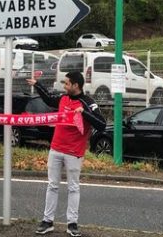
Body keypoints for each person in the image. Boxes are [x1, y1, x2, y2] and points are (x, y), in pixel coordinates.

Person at [26, 71, 106, 237]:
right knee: (52, 185)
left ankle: (72, 224)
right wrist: (37, 84)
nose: (64, 86)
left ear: (76, 85)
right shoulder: (63, 98)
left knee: (73, 188)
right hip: (56, 149)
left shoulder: (88, 102)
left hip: (74, 152)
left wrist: (83, 113)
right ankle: (47, 221)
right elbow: (48, 98)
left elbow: (102, 124)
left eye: (67, 83)